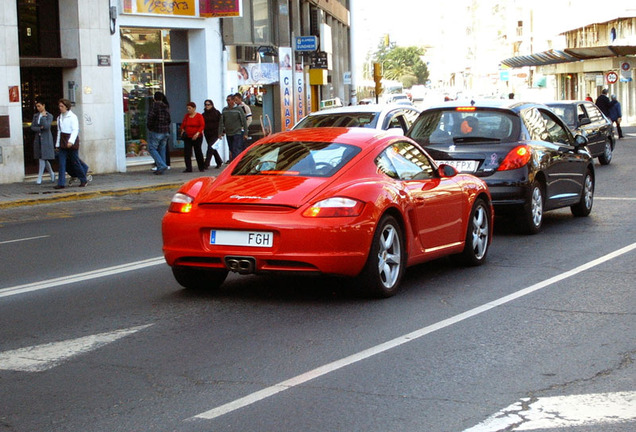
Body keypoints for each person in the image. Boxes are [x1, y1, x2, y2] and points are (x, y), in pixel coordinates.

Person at [54, 98, 88, 189]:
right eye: (59, 106)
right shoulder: (59, 118)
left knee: (75, 161)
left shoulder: (73, 117)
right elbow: (59, 131)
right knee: (62, 163)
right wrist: (57, 144)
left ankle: (83, 179)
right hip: (62, 140)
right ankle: (61, 183)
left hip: (70, 141)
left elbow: (75, 130)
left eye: (62, 106)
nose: (60, 108)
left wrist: (71, 141)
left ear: (67, 107)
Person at [31, 97, 56, 185]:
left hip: (46, 139)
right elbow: (33, 127)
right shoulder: (35, 116)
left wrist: (43, 118)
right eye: (37, 106)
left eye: (39, 106)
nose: (38, 108)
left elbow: (46, 126)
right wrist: (39, 128)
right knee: (43, 158)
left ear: (43, 105)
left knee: (42, 158)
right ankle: (52, 173)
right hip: (38, 139)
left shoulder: (49, 116)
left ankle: (40, 176)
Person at [146, 91, 171, 175]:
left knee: (152, 148)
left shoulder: (154, 106)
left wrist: (150, 127)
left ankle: (161, 165)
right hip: (166, 130)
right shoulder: (166, 106)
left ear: (154, 98)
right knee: (162, 149)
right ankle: (161, 167)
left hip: (157, 130)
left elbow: (150, 117)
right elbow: (169, 119)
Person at [219, 94, 248, 162]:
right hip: (229, 133)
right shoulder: (225, 110)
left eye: (229, 100)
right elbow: (221, 122)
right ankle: (235, 162)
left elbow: (244, 121)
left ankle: (236, 164)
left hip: (237, 132)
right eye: (227, 100)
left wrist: (245, 133)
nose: (227, 102)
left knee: (236, 149)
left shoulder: (238, 109)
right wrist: (220, 132)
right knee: (231, 149)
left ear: (233, 101)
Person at [179, 102, 205, 172]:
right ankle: (188, 168)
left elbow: (202, 125)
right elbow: (183, 125)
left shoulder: (199, 116)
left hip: (197, 137)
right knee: (187, 152)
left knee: (198, 152)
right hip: (188, 136)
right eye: (187, 108)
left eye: (190, 108)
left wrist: (197, 134)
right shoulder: (186, 116)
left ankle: (201, 167)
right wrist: (182, 130)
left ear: (194, 108)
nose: (188, 110)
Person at [202, 99, 223, 169]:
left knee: (210, 147)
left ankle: (206, 163)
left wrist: (222, 131)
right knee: (213, 148)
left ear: (212, 105)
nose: (207, 106)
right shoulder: (204, 114)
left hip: (215, 132)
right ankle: (219, 161)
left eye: (208, 104)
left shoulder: (216, 113)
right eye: (206, 105)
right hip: (207, 133)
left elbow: (221, 122)